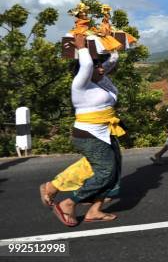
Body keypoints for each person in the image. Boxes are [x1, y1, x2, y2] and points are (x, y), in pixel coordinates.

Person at [42, 34, 124, 226]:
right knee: (105, 172)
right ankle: (69, 203)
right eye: (97, 66)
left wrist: (109, 38)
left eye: (100, 66)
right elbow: (87, 66)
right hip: (89, 134)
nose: (101, 69)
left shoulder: (101, 80)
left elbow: (112, 60)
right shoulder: (80, 85)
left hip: (106, 130)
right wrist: (81, 47)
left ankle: (94, 210)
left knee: (114, 170)